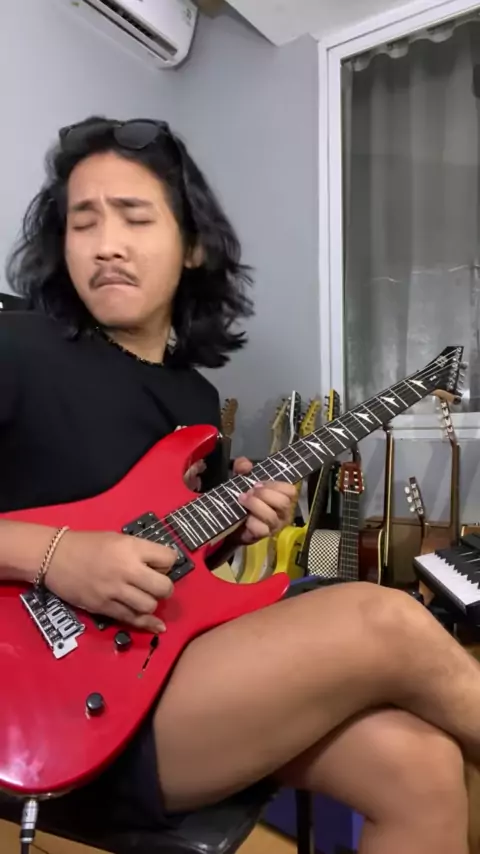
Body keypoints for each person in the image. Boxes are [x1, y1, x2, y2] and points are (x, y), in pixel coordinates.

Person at [0, 116, 478, 854]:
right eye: (83, 222)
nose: (106, 244)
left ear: (192, 246)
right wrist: (57, 555)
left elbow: (171, 560)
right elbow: (85, 555)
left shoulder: (194, 399)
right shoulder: (17, 346)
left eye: (135, 217)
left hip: (172, 664)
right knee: (383, 618)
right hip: (45, 701)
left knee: (423, 769)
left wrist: (235, 526)